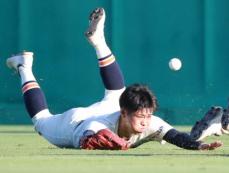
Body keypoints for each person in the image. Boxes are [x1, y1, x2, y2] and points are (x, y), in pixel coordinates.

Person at [6, 7, 222, 150]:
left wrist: (199, 146)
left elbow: (175, 136)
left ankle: (99, 41)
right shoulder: (98, 124)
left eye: (147, 115)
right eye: (140, 116)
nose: (145, 120)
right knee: (41, 121)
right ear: (124, 113)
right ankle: (24, 66)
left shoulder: (149, 121)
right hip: (76, 122)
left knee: (118, 92)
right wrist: (101, 140)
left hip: (112, 108)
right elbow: (89, 136)